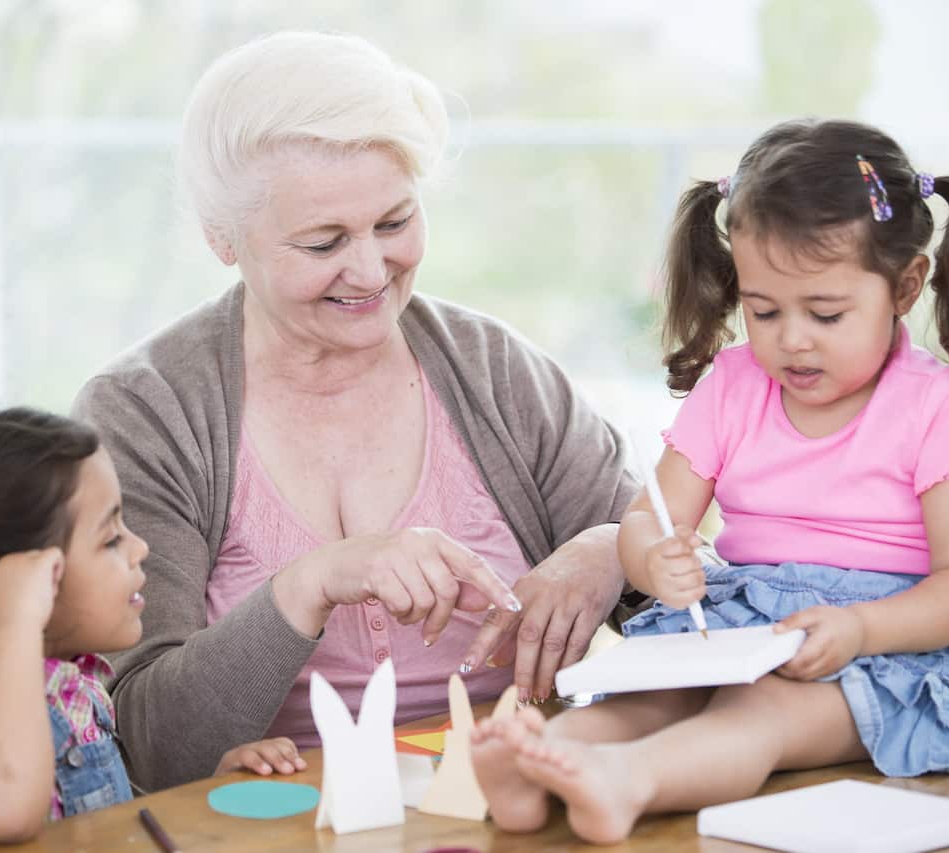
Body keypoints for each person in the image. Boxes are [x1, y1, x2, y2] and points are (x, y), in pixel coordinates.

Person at [72, 31, 637, 792]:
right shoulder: (148, 413)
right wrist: (312, 582)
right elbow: (144, 743)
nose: (371, 270)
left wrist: (611, 547)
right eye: (323, 241)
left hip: (517, 805)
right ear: (221, 237)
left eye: (395, 222)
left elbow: (711, 590)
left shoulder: (497, 373)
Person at [472, 118, 949, 844]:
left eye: (825, 312)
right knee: (654, 697)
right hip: (743, 626)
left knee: (758, 716)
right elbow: (649, 518)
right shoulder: (731, 386)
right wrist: (652, 556)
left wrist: (860, 627)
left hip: (893, 651)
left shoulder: (939, 407)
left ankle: (627, 782)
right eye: (763, 311)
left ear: (905, 285)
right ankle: (547, 762)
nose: (792, 337)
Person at [0, 408, 304, 852]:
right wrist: (17, 624)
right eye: (110, 538)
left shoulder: (76, 688)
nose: (139, 547)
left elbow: (107, 828)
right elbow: (7, 812)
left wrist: (203, 799)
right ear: (28, 583)